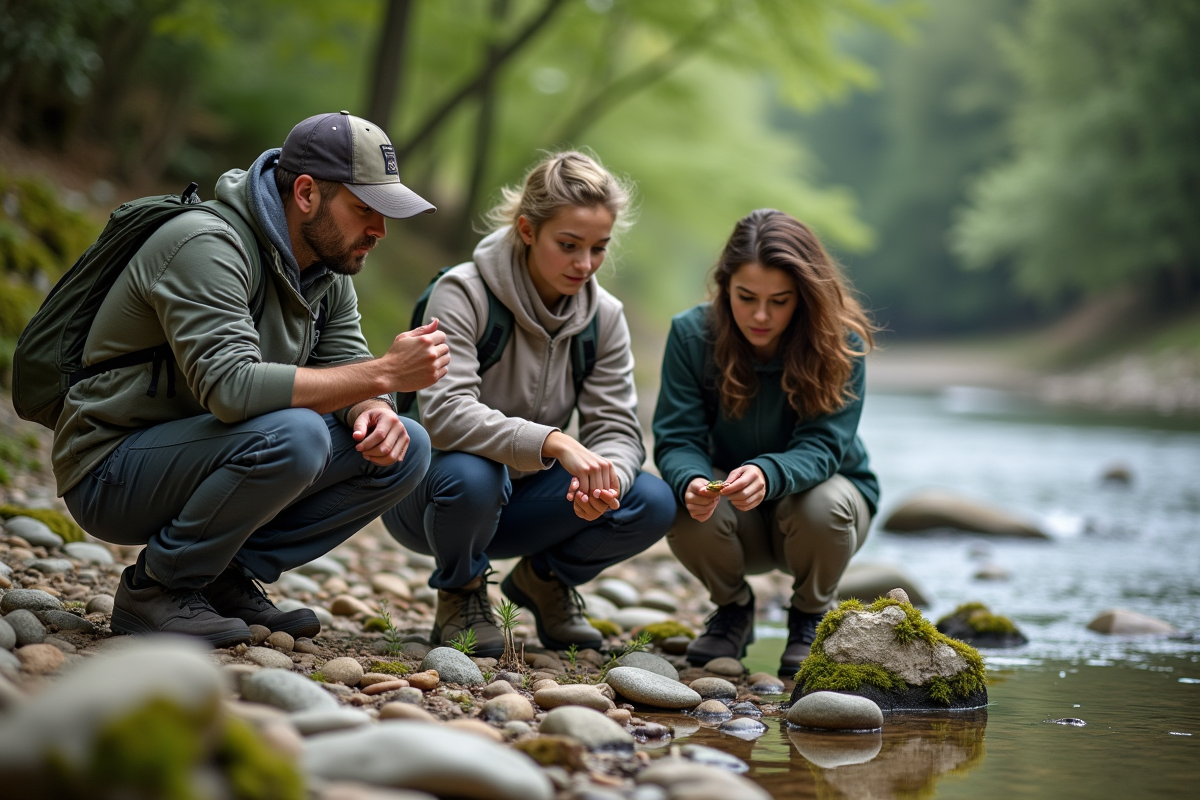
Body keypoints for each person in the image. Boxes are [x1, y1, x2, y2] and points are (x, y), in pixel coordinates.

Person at [56, 111, 448, 647]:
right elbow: (232, 389)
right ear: (306, 193)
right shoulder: (205, 244)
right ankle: (156, 590)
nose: (379, 231)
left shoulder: (326, 271)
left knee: (407, 444)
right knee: (298, 434)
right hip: (111, 468)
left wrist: (374, 409)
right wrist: (383, 373)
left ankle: (219, 575)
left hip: (208, 452)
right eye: (365, 210)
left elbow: (345, 366)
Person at [383, 151, 676, 657]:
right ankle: (460, 591)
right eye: (568, 245)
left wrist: (607, 484)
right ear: (526, 230)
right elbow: (445, 413)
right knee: (476, 474)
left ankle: (544, 581)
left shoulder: (604, 317)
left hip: (526, 503)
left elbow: (619, 431)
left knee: (650, 500)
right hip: (434, 495)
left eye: (599, 249)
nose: (584, 264)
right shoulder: (462, 292)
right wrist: (553, 441)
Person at [652, 208, 879, 678]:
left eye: (780, 301)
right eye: (746, 297)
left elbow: (823, 445)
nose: (760, 315)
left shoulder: (840, 342)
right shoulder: (691, 335)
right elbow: (677, 437)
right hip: (736, 514)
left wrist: (769, 473)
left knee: (821, 503)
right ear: (724, 285)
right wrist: (693, 479)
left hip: (822, 511)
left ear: (804, 296)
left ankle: (811, 616)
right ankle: (732, 611)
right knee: (675, 497)